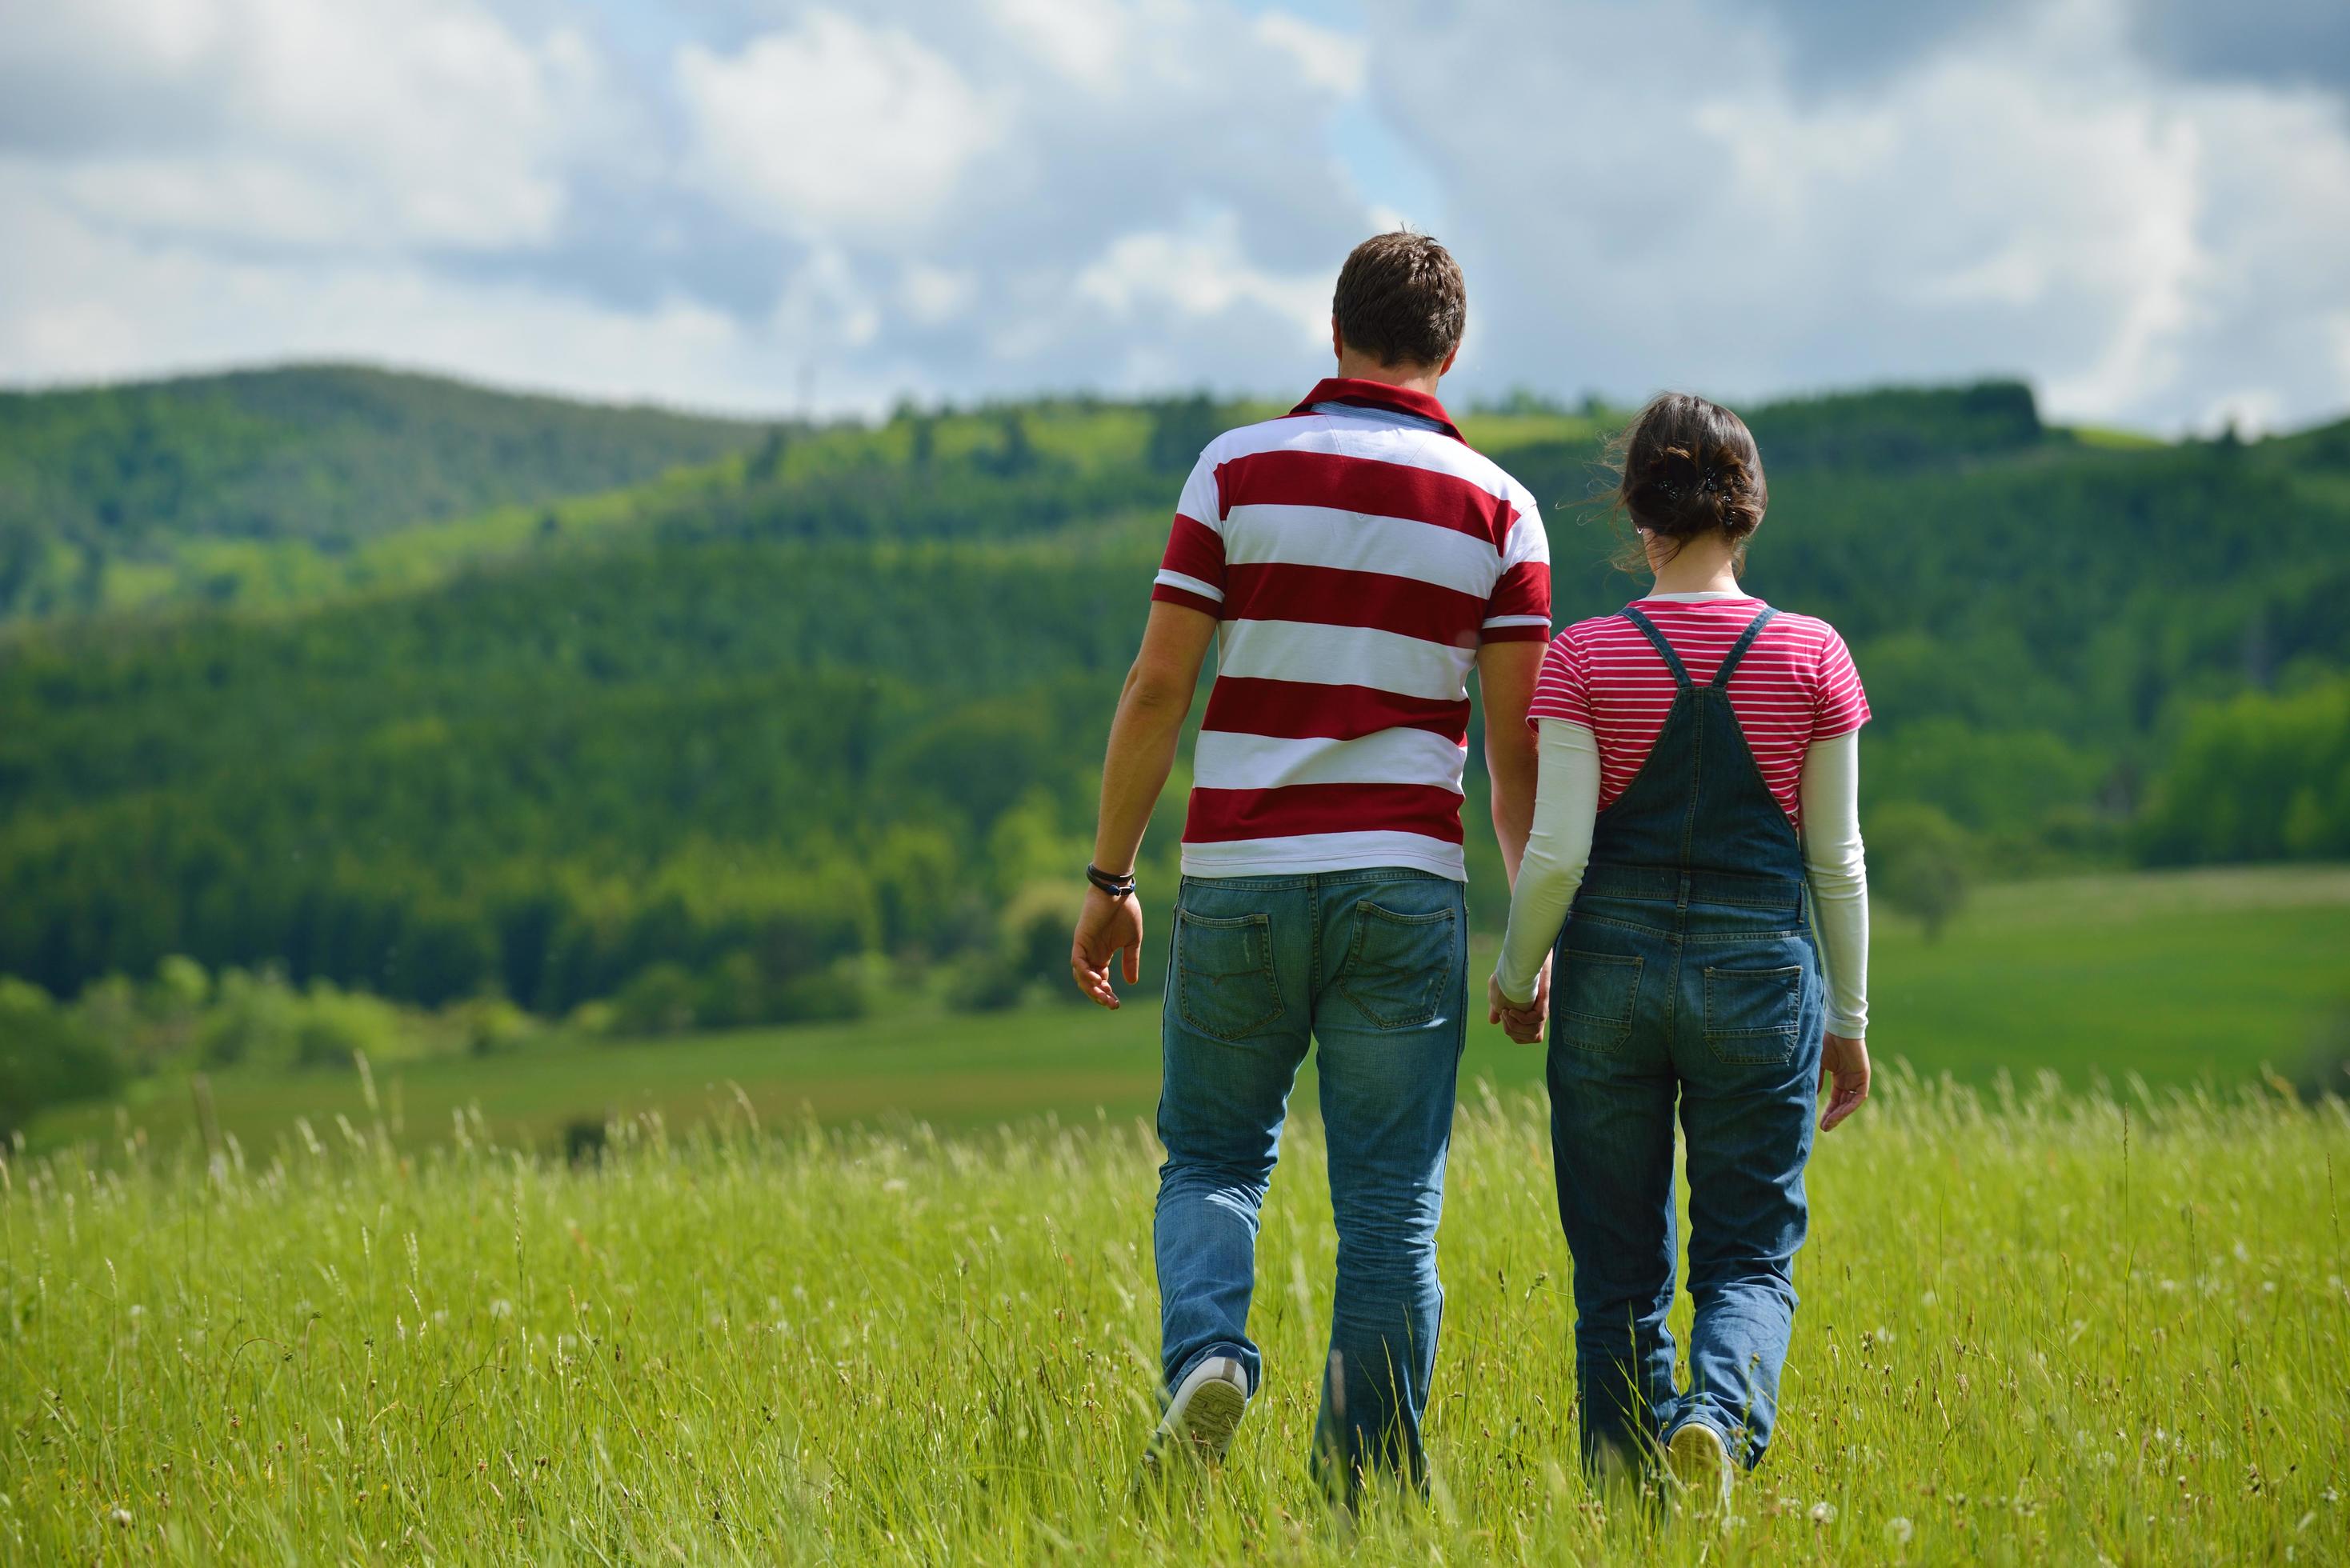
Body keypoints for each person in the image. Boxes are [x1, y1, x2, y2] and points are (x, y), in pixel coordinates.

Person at [1069, 231, 1551, 1498]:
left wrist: (1111, 877)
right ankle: (1365, 1497)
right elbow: (1514, 758)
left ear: (1331, 330)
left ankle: (1207, 1359)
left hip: (1237, 879)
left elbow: (1157, 684)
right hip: (1404, 885)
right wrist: (1532, 933)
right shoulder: (1501, 507)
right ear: (1450, 352)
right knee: (1391, 1208)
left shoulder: (1235, 469)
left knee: (1216, 1159)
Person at [1487, 393, 1872, 1511]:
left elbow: (1555, 853)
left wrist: (1518, 981)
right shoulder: (1813, 654)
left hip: (1607, 975)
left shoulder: (1584, 657)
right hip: (1761, 976)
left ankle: (1621, 1506)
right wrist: (1847, 1022)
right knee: (1747, 1261)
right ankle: (1714, 1416)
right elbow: (1836, 863)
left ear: (1640, 514)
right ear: (1745, 514)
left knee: (1615, 1277)